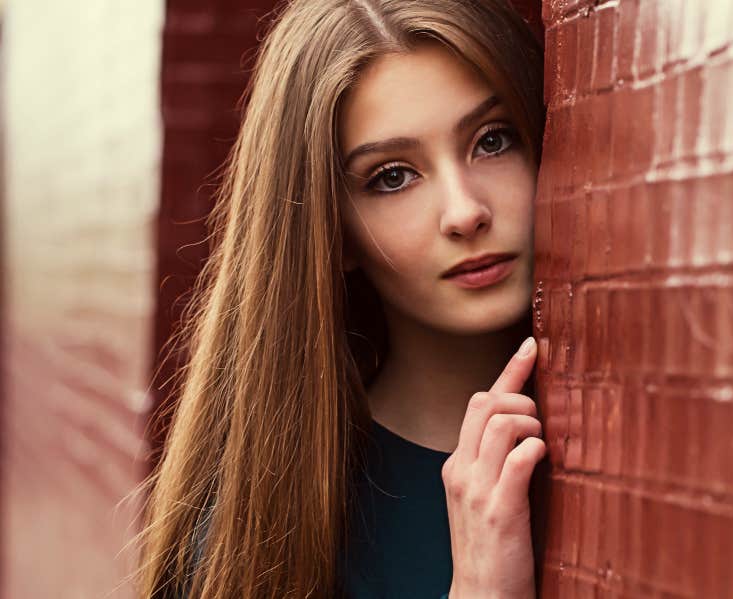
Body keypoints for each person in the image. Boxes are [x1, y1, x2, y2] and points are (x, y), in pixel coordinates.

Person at [134, 1, 546, 597]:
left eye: (493, 140)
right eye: (392, 177)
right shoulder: (259, 532)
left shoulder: (626, 436)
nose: (464, 212)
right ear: (335, 232)